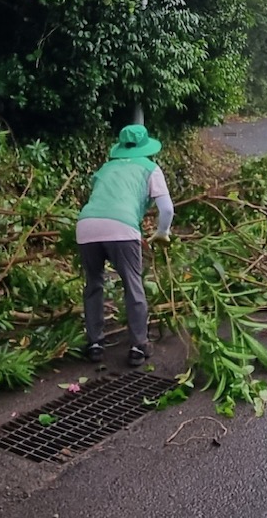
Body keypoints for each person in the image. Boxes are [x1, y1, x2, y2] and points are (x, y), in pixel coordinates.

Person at [77, 124, 174, 367]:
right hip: (122, 228)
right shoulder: (151, 168)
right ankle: (138, 346)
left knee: (94, 283)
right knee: (133, 285)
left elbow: (104, 200)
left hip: (86, 224)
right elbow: (167, 209)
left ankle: (95, 344)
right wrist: (163, 232)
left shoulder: (105, 169)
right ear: (145, 147)